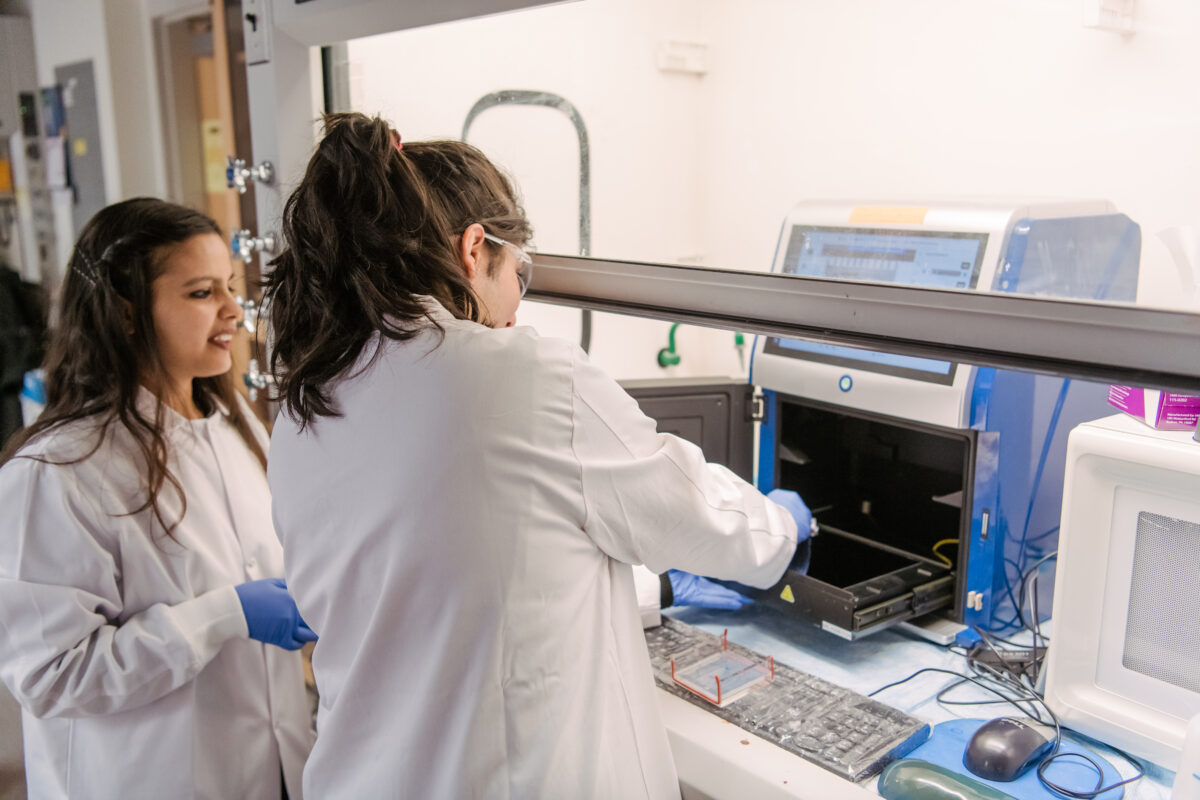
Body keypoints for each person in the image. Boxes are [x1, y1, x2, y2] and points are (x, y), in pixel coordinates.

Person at [264, 112, 813, 800]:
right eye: (518, 272)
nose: (518, 304)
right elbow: (701, 520)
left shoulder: (306, 404)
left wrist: (662, 589)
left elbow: (469, 584)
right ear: (473, 250)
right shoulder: (517, 378)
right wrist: (784, 526)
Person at [0, 198, 316, 799]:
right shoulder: (57, 471)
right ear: (125, 313)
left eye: (229, 286)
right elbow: (50, 676)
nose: (231, 309)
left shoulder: (236, 428)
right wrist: (224, 616)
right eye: (201, 293)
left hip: (269, 768)